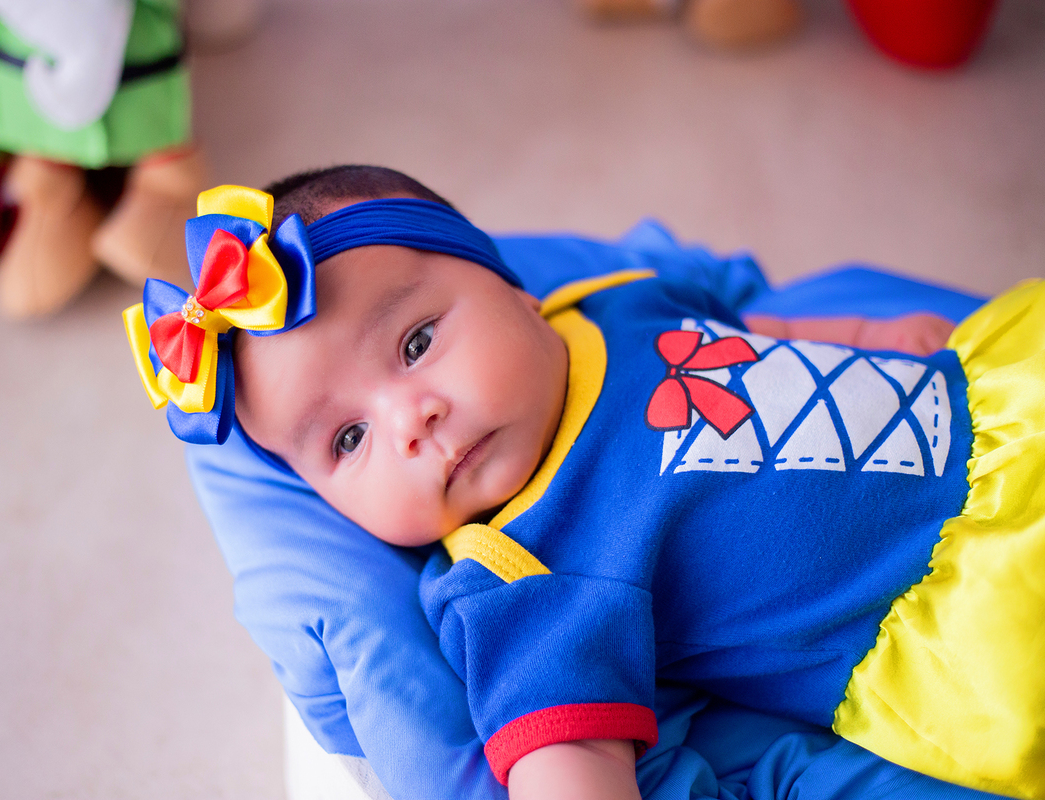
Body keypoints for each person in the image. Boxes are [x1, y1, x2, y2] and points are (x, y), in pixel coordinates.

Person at [125, 166, 1044, 800]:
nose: (412, 423)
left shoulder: (601, 305)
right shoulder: (518, 571)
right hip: (968, 599)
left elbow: (744, 330)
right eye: (350, 438)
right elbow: (567, 750)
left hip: (993, 409)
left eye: (414, 345)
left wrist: (864, 335)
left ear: (514, 291)